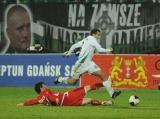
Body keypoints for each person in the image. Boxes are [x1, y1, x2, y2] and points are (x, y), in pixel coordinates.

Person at [54, 28, 121, 99]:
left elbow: (74, 46)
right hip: (81, 64)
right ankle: (60, 79)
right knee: (73, 82)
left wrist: (69, 53)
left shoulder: (85, 40)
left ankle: (112, 93)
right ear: (93, 34)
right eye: (98, 35)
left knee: (102, 75)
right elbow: (100, 49)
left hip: (89, 64)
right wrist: (109, 50)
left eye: (100, 35)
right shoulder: (92, 39)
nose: (99, 37)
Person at [17, 82, 113, 106]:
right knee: (87, 87)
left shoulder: (39, 98)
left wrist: (23, 104)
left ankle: (105, 103)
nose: (46, 86)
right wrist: (54, 101)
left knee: (89, 100)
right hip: (68, 96)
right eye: (44, 85)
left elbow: (32, 101)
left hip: (68, 103)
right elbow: (52, 99)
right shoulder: (45, 91)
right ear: (41, 87)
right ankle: (105, 83)